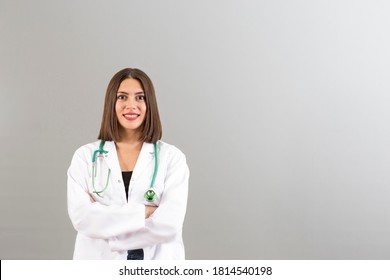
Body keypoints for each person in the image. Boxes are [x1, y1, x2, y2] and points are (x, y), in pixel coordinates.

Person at [67, 68, 189, 260]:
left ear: (150, 103)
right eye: (122, 97)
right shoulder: (85, 157)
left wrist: (111, 232)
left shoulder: (172, 158)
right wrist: (145, 212)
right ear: (111, 103)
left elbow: (169, 224)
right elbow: (82, 217)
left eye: (140, 98)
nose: (131, 105)